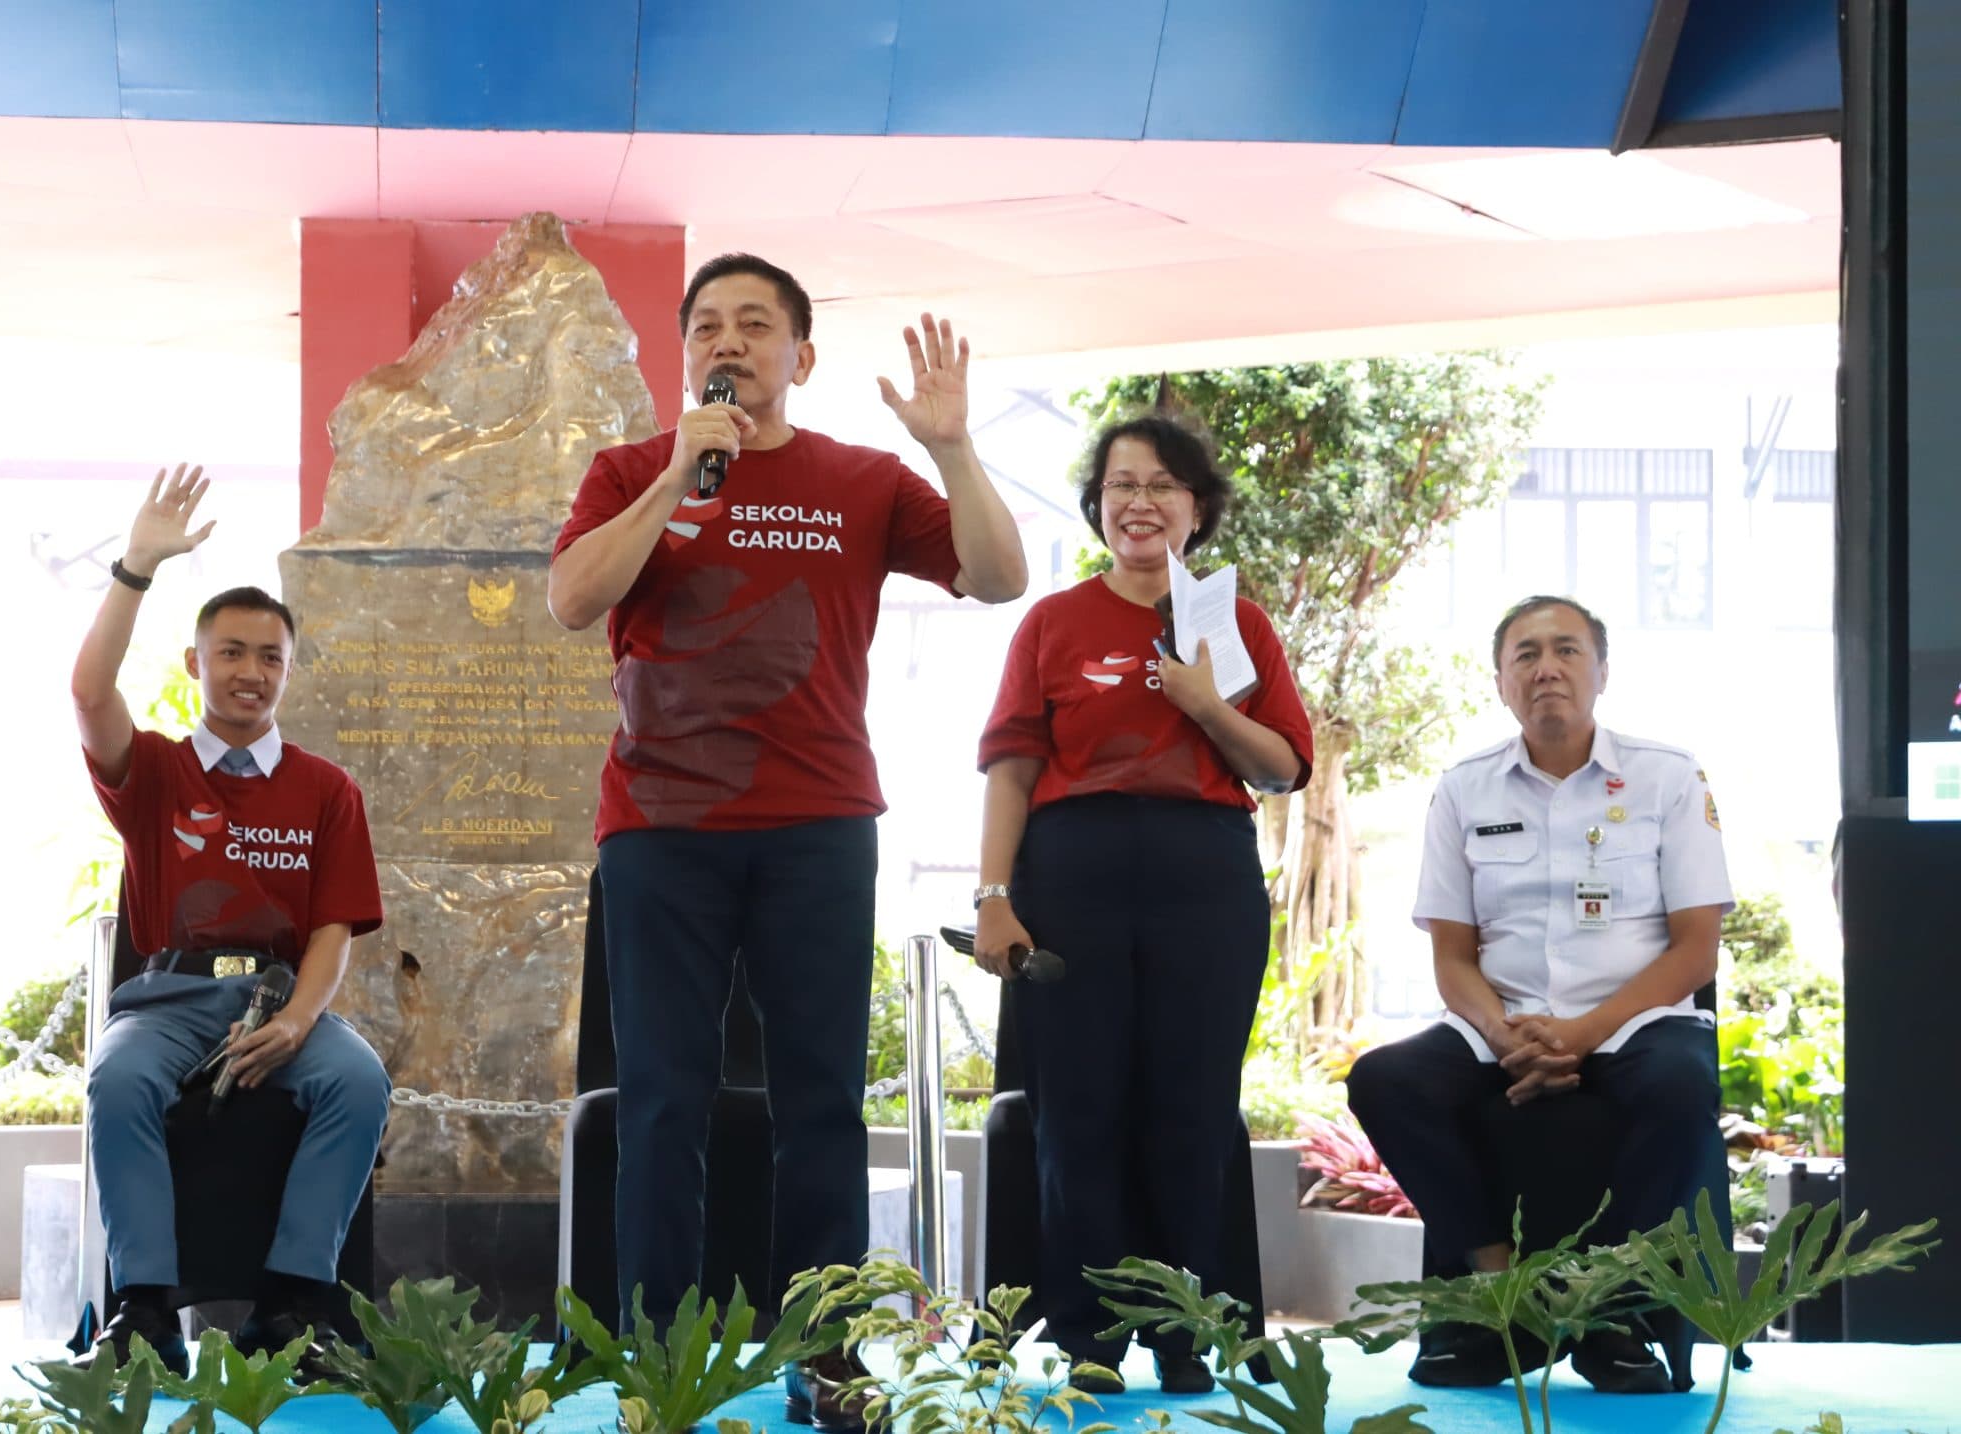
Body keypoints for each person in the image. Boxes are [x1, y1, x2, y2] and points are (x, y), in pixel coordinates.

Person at [548, 254, 1028, 1428]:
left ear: (798, 358)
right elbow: (571, 599)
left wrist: (952, 448)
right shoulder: (628, 469)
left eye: (755, 325)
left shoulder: (862, 481)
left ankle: (830, 1361)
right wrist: (674, 476)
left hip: (817, 827)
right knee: (662, 1100)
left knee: (820, 1101)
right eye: (708, 325)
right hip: (660, 830)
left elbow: (1000, 577)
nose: (731, 340)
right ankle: (658, 1369)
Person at [971, 415, 1312, 1395]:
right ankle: (1086, 1339)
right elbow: (1010, 771)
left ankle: (1180, 1330)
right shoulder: (1052, 622)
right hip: (1069, 871)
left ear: (1196, 509)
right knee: (1075, 1111)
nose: (1139, 502)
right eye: (1120, 484)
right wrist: (994, 897)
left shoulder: (1235, 624)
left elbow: (1283, 767)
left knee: (1189, 1110)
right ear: (1097, 507)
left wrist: (1204, 704)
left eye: (1162, 485)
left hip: (1200, 873)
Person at [1345, 594, 1733, 1395]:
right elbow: (1452, 956)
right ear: (1500, 682)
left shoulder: (1667, 776)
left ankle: (1603, 1306)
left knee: (1681, 1085)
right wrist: (1507, 1032)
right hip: (1503, 1020)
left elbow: (1697, 947)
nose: (1546, 668)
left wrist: (1583, 1034)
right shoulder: (1464, 791)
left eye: (1566, 651)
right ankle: (1501, 1287)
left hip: (1637, 1019)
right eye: (1526, 655)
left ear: (1601, 672)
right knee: (1384, 1080)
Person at [71, 466, 390, 1376]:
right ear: (196, 663)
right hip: (170, 999)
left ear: (290, 670)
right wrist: (136, 568)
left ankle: (293, 1302)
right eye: (231, 653)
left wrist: (299, 1021)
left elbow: (333, 929)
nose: (251, 672)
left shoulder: (327, 789)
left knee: (358, 1083)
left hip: (279, 999)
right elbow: (91, 695)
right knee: (119, 1082)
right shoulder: (160, 770)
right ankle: (144, 1308)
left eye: (270, 657)